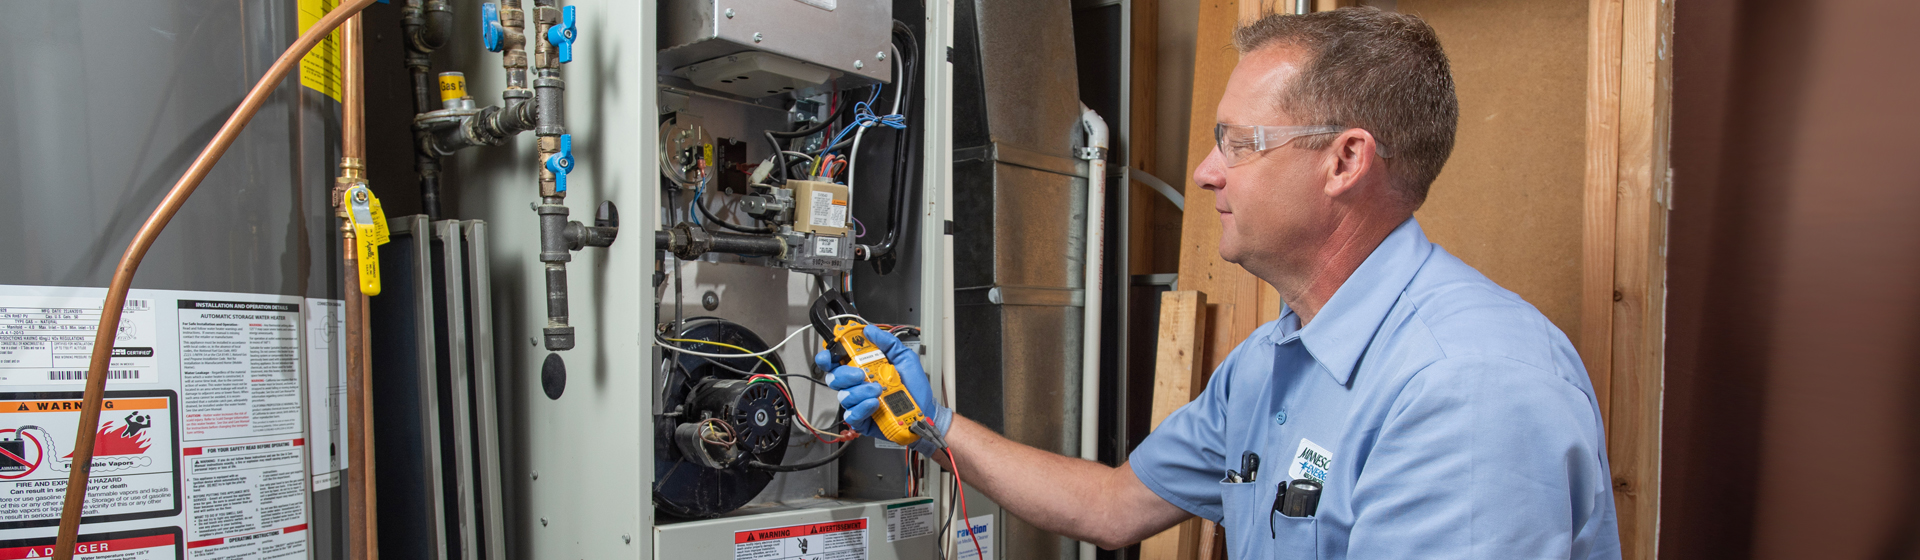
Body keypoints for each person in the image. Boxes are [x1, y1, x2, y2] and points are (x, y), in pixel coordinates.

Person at [820, 7, 1620, 559]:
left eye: (1238, 144)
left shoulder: (1468, 387)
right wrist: (935, 422)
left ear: (1345, 160)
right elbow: (1113, 507)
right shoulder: (1273, 363)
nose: (1205, 173)